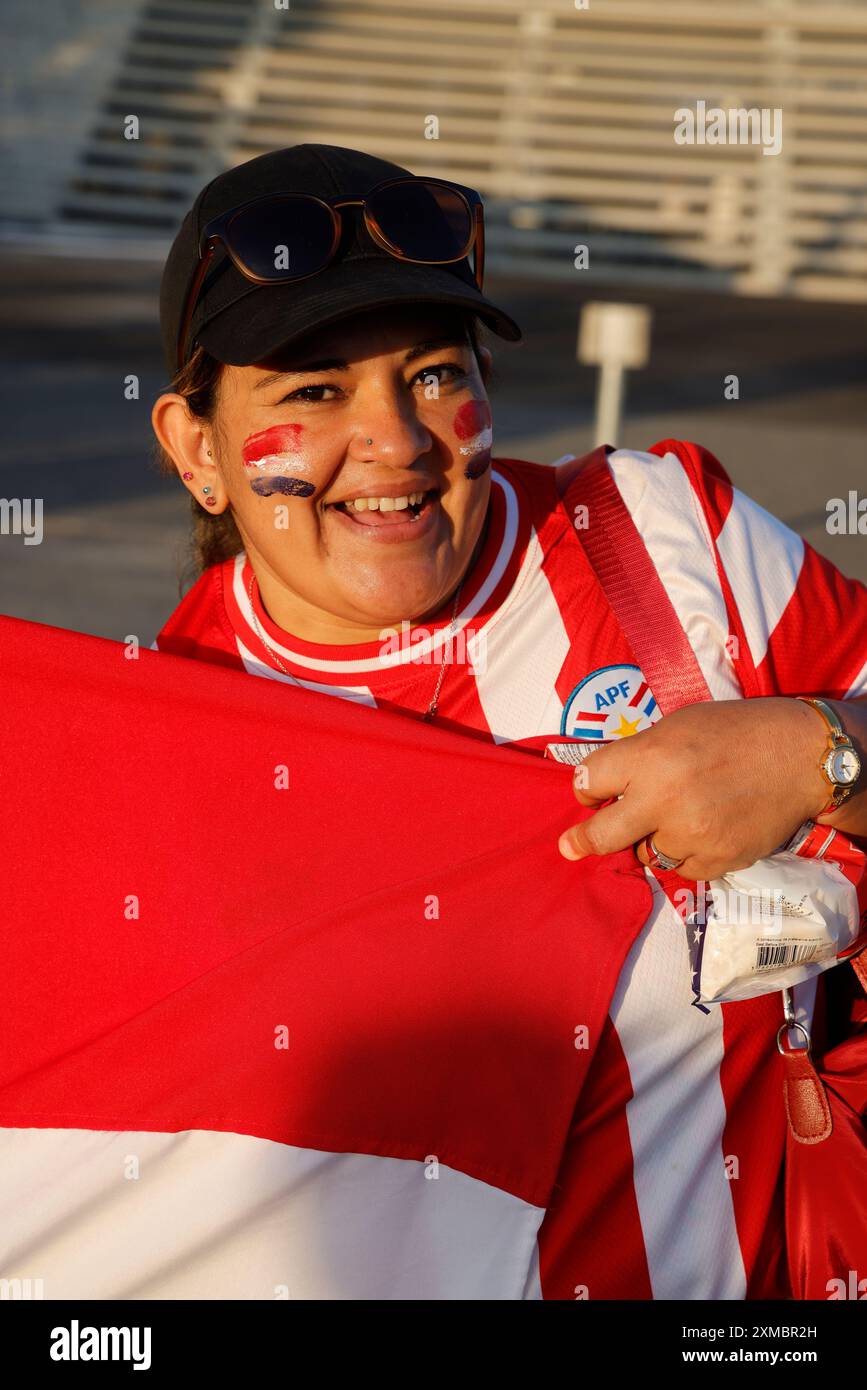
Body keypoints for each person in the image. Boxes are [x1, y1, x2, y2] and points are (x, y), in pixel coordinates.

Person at [148, 143, 867, 1298]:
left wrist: (822, 748)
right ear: (198, 450)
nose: (396, 442)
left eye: (433, 374)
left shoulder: (667, 542)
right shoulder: (162, 735)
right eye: (314, 391)